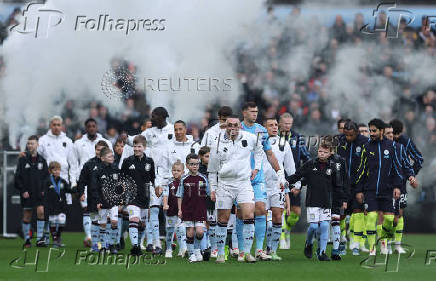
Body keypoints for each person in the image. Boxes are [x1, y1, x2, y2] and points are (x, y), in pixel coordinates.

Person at [208, 115, 263, 263]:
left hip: (243, 183)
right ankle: (220, 253)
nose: (232, 128)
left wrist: (256, 168)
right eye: (229, 125)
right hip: (224, 184)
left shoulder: (250, 138)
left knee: (249, 214)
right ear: (225, 126)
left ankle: (246, 253)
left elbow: (259, 151)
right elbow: (212, 169)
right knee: (223, 219)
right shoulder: (217, 142)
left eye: (235, 125)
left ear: (240, 126)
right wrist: (213, 188)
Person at [122, 107, 174, 254]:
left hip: (170, 176)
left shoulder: (172, 130)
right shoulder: (149, 132)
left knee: (171, 214)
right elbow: (134, 140)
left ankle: (171, 246)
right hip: (153, 176)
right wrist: (126, 138)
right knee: (154, 211)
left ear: (163, 116)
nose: (151, 119)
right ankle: (155, 244)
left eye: (154, 116)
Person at [240, 102, 286, 261]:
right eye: (252, 111)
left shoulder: (261, 130)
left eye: (256, 111)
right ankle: (241, 250)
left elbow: (270, 154)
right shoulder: (237, 129)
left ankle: (259, 249)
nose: (255, 114)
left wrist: (279, 172)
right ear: (244, 112)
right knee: (241, 214)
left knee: (261, 209)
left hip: (257, 178)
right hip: (240, 178)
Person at [355, 118, 403, 256]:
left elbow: (397, 168)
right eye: (370, 130)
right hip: (370, 191)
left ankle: (383, 242)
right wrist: (358, 190)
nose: (371, 133)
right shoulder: (367, 147)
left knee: (388, 220)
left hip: (387, 191)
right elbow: (361, 170)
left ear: (382, 131)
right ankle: (372, 248)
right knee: (370, 218)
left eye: (374, 130)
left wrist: (397, 187)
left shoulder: (392, 146)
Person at [288, 143, 337, 261]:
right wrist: (287, 182)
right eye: (320, 151)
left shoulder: (333, 166)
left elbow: (337, 184)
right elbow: (298, 175)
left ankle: (322, 253)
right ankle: (309, 243)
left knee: (325, 225)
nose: (322, 154)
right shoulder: (310, 164)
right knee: (314, 227)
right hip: (313, 200)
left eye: (325, 152)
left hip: (326, 201)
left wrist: (341, 199)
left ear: (330, 153)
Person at [37, 116, 78, 243]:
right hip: (49, 181)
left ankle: (57, 237)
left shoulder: (68, 141)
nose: (56, 127)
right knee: (49, 210)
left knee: (62, 211)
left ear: (62, 126)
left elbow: (73, 163)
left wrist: (74, 182)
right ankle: (46, 236)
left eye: (58, 124)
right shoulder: (43, 140)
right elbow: (37, 157)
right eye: (54, 124)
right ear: (50, 125)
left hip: (63, 179)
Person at [73, 118, 112, 247]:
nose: (91, 128)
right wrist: (78, 187)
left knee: (104, 215)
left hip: (104, 188)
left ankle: (105, 243)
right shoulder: (78, 144)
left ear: (97, 127)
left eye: (93, 126)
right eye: (89, 126)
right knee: (90, 212)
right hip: (88, 186)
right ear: (86, 127)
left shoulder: (106, 142)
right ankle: (91, 239)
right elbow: (74, 164)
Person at [278, 112, 311, 249]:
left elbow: (306, 157)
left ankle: (287, 228)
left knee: (295, 213)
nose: (287, 126)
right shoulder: (273, 137)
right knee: (280, 209)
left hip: (294, 179)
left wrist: (303, 176)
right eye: (285, 124)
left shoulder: (298, 138)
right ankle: (282, 234)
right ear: (279, 123)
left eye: (290, 124)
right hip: (278, 178)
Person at [263, 118, 294, 261]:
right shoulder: (257, 142)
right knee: (266, 223)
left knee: (276, 218)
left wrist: (295, 184)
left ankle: (272, 250)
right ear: (264, 128)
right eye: (270, 125)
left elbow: (289, 165)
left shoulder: (284, 143)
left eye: (276, 125)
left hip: (277, 186)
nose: (274, 127)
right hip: (261, 185)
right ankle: (261, 249)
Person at [384, 123, 418, 253]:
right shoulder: (377, 148)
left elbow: (406, 165)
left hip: (399, 185)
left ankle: (397, 245)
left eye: (392, 134)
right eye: (388, 134)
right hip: (384, 187)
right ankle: (384, 243)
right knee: (387, 216)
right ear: (383, 134)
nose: (391, 136)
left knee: (399, 216)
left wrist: (411, 177)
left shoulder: (400, 148)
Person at [337, 120, 369, 255]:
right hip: (342, 186)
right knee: (341, 215)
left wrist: (361, 188)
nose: (348, 138)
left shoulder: (365, 143)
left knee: (358, 213)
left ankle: (355, 244)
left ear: (356, 132)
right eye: (346, 135)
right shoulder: (339, 141)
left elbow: (366, 167)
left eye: (351, 135)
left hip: (358, 185)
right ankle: (342, 242)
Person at [121, 135, 156, 256]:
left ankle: (139, 244)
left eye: (139, 146)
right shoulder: (127, 161)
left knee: (142, 224)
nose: (136, 149)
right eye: (135, 146)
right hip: (131, 197)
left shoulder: (150, 162)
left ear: (144, 147)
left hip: (145, 196)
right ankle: (135, 246)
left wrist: (156, 192)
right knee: (134, 219)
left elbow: (153, 179)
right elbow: (122, 179)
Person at [14, 135, 49, 248]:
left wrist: (44, 189)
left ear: (37, 144)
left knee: (41, 212)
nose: (30, 145)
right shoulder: (22, 159)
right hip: (27, 193)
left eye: (32, 143)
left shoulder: (42, 160)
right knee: (27, 215)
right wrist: (23, 190)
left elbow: (46, 177)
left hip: (39, 193)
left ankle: (39, 239)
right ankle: (27, 240)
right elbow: (17, 177)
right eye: (28, 143)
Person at [176, 153, 210, 263]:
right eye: (192, 164)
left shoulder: (203, 178)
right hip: (188, 209)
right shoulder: (184, 179)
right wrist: (180, 209)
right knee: (190, 232)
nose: (194, 166)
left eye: (196, 164)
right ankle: (191, 254)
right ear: (187, 165)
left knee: (200, 232)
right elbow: (180, 195)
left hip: (200, 208)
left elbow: (209, 193)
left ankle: (196, 250)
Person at [77, 140, 108, 252]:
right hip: (93, 197)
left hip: (107, 198)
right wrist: (81, 192)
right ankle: (95, 245)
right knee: (95, 220)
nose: (99, 152)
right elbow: (82, 180)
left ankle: (105, 245)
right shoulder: (89, 164)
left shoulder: (111, 164)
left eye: (102, 150)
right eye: (97, 149)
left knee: (106, 221)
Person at [91, 147, 120, 254]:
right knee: (102, 224)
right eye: (109, 156)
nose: (112, 157)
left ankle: (112, 245)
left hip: (113, 201)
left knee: (114, 221)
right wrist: (98, 201)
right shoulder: (97, 171)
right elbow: (94, 188)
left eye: (112, 155)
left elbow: (119, 186)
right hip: (102, 201)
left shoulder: (115, 169)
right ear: (102, 158)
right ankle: (103, 246)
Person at [44, 161, 73, 247]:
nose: (57, 172)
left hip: (61, 206)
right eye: (54, 170)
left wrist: (76, 188)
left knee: (62, 221)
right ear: (50, 171)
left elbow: (69, 190)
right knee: (52, 223)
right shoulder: (48, 181)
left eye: (58, 170)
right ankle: (55, 239)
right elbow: (45, 193)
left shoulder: (62, 181)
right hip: (51, 206)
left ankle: (58, 235)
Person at [162, 161, 185, 258]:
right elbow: (166, 194)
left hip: (181, 210)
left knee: (181, 230)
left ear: (183, 172)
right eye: (174, 170)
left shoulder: (185, 182)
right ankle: (168, 249)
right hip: (171, 209)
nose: (175, 172)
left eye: (178, 170)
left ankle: (182, 249)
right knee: (170, 230)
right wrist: (165, 204)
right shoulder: (169, 183)